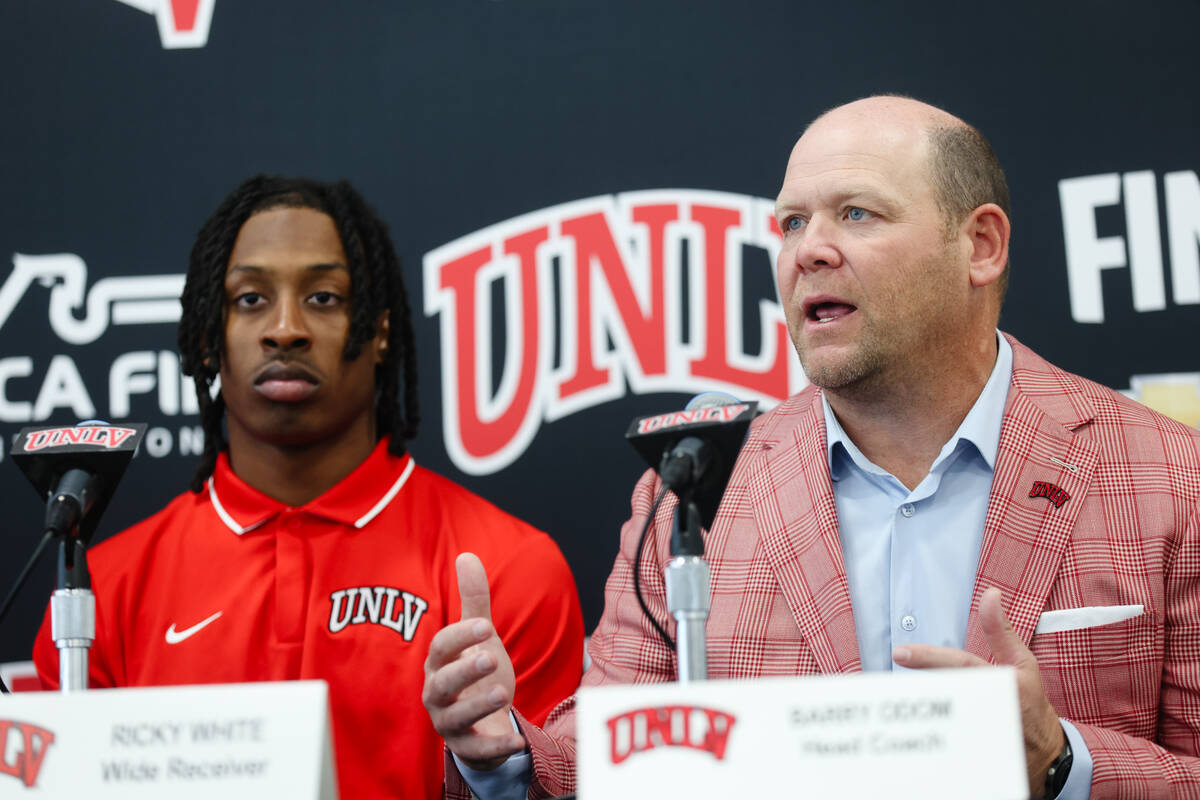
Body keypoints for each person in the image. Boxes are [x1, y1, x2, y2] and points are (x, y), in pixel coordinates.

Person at [423, 96, 1200, 799]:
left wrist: (1063, 763)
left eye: (857, 214)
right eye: (792, 223)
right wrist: (508, 759)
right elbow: (612, 755)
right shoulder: (696, 489)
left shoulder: (1169, 473)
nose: (808, 252)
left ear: (981, 245)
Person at [32, 176, 584, 800]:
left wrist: (498, 770)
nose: (286, 329)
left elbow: (554, 786)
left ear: (379, 332)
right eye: (249, 300)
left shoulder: (507, 566)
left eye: (323, 298)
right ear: (209, 340)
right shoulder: (101, 590)